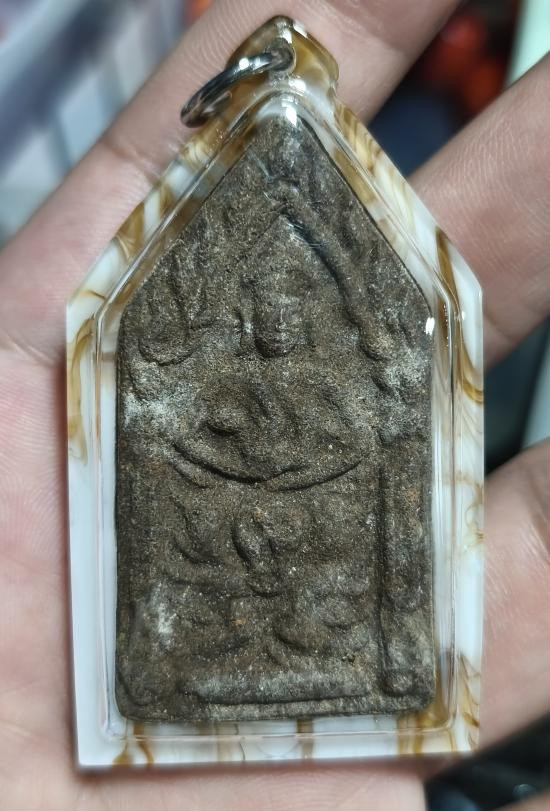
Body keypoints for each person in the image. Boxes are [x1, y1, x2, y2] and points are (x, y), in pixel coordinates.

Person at [0, 1, 549, 808]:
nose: (279, 323)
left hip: (317, 531)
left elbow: (359, 438)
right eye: (267, 311)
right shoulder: (226, 378)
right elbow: (187, 435)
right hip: (227, 538)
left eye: (291, 311)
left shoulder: (327, 380)